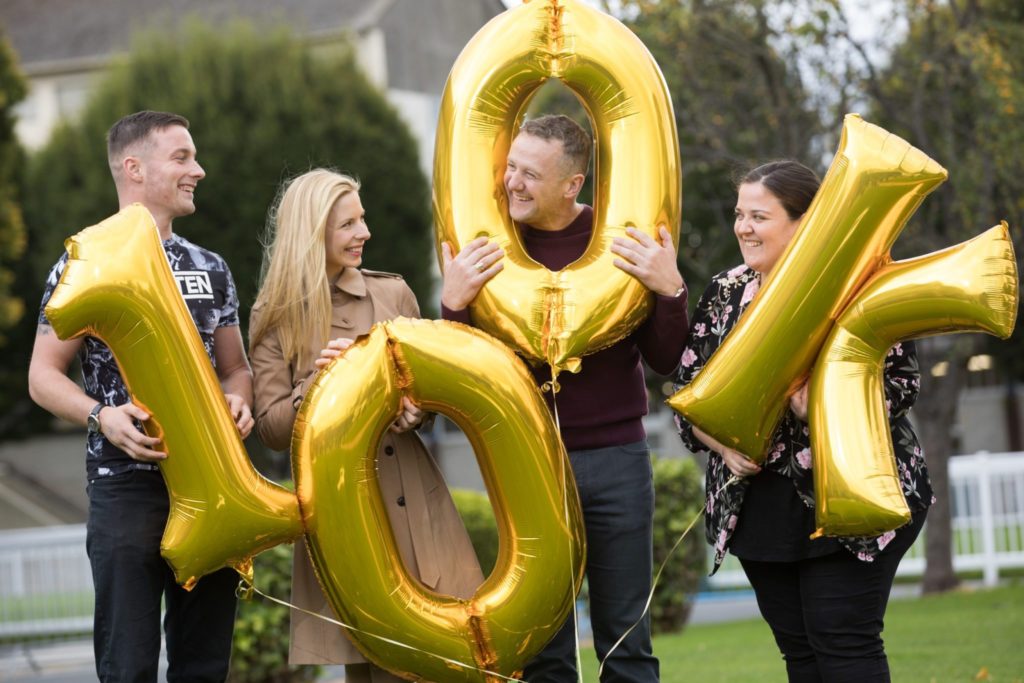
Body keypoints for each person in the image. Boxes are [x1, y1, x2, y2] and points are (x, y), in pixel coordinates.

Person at [441, 114, 689, 682]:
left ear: (571, 185)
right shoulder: (489, 243)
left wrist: (669, 289)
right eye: (511, 168)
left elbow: (666, 360)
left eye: (531, 173)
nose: (513, 183)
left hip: (616, 462)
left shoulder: (618, 238)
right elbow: (460, 369)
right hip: (526, 464)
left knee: (625, 640)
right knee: (541, 648)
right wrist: (453, 303)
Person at [675, 160, 933, 682]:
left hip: (851, 499)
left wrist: (821, 406)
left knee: (844, 642)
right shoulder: (726, 292)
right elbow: (687, 395)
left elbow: (902, 383)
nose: (743, 227)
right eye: (738, 214)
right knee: (800, 654)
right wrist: (723, 448)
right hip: (757, 512)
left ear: (805, 221)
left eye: (759, 216)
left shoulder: (857, 283)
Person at [27, 110, 252, 682]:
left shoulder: (212, 267)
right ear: (134, 168)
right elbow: (42, 377)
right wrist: (101, 416)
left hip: (213, 480)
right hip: (124, 485)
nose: (198, 170)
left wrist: (239, 400)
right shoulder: (86, 263)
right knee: (127, 665)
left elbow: (237, 370)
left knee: (204, 666)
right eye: (181, 158)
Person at [249, 169, 484, 682]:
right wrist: (318, 380)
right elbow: (269, 429)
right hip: (346, 513)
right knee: (372, 662)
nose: (365, 233)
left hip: (415, 495)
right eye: (348, 224)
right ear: (313, 233)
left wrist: (414, 410)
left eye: (363, 219)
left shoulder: (393, 294)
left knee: (450, 652)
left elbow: (429, 397)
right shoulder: (275, 315)